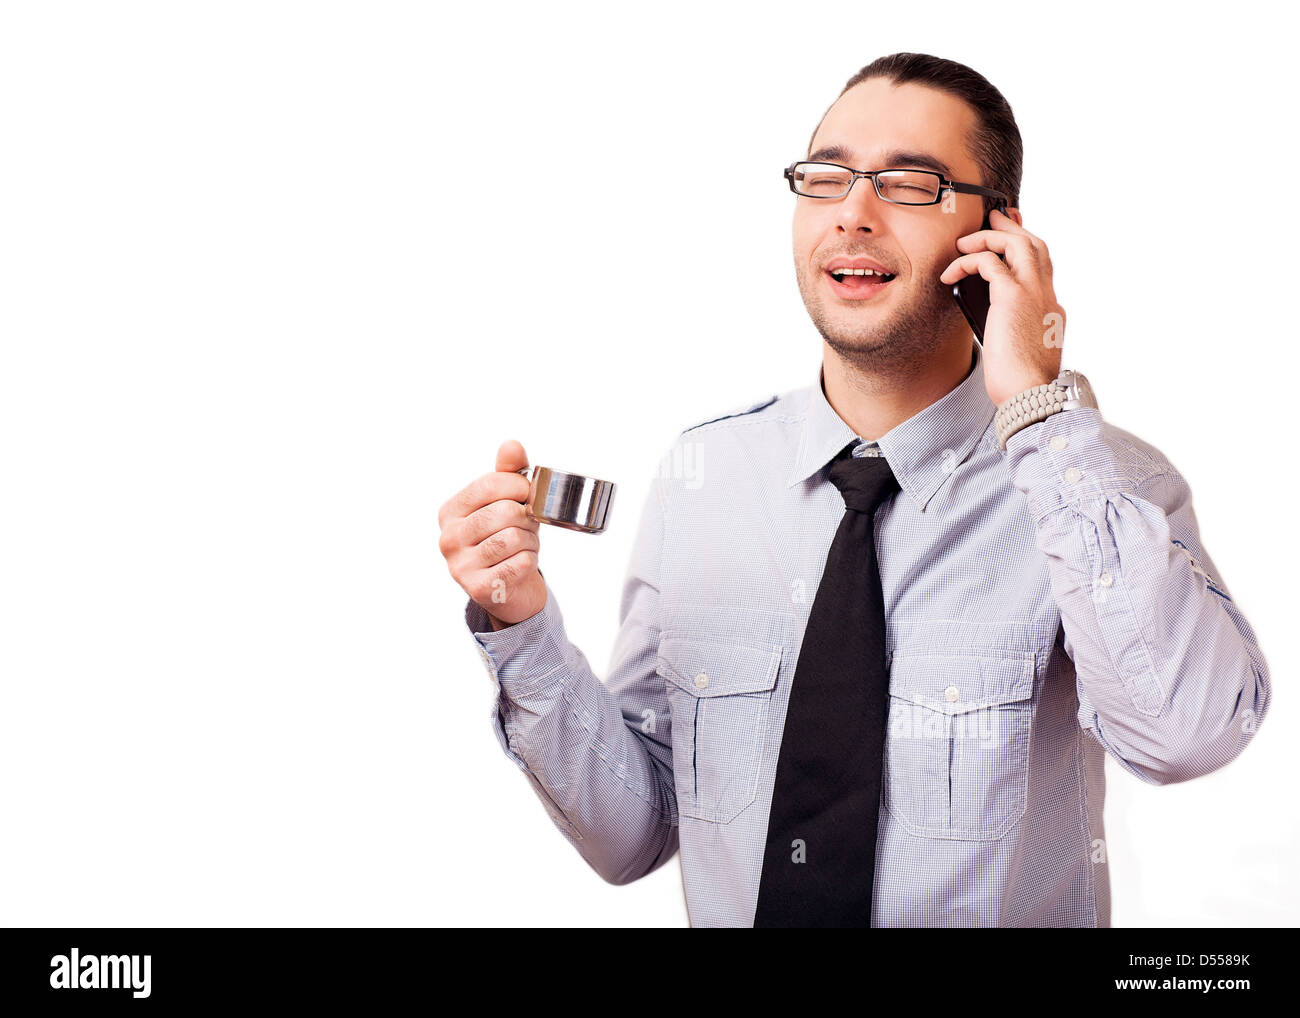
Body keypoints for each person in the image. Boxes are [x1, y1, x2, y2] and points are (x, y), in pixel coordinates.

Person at [436, 52, 1271, 927]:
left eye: (909, 183)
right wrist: (522, 629)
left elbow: (1189, 737)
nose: (854, 214)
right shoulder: (705, 481)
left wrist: (1038, 410)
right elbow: (633, 832)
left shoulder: (1098, 486)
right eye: (826, 177)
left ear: (999, 235)